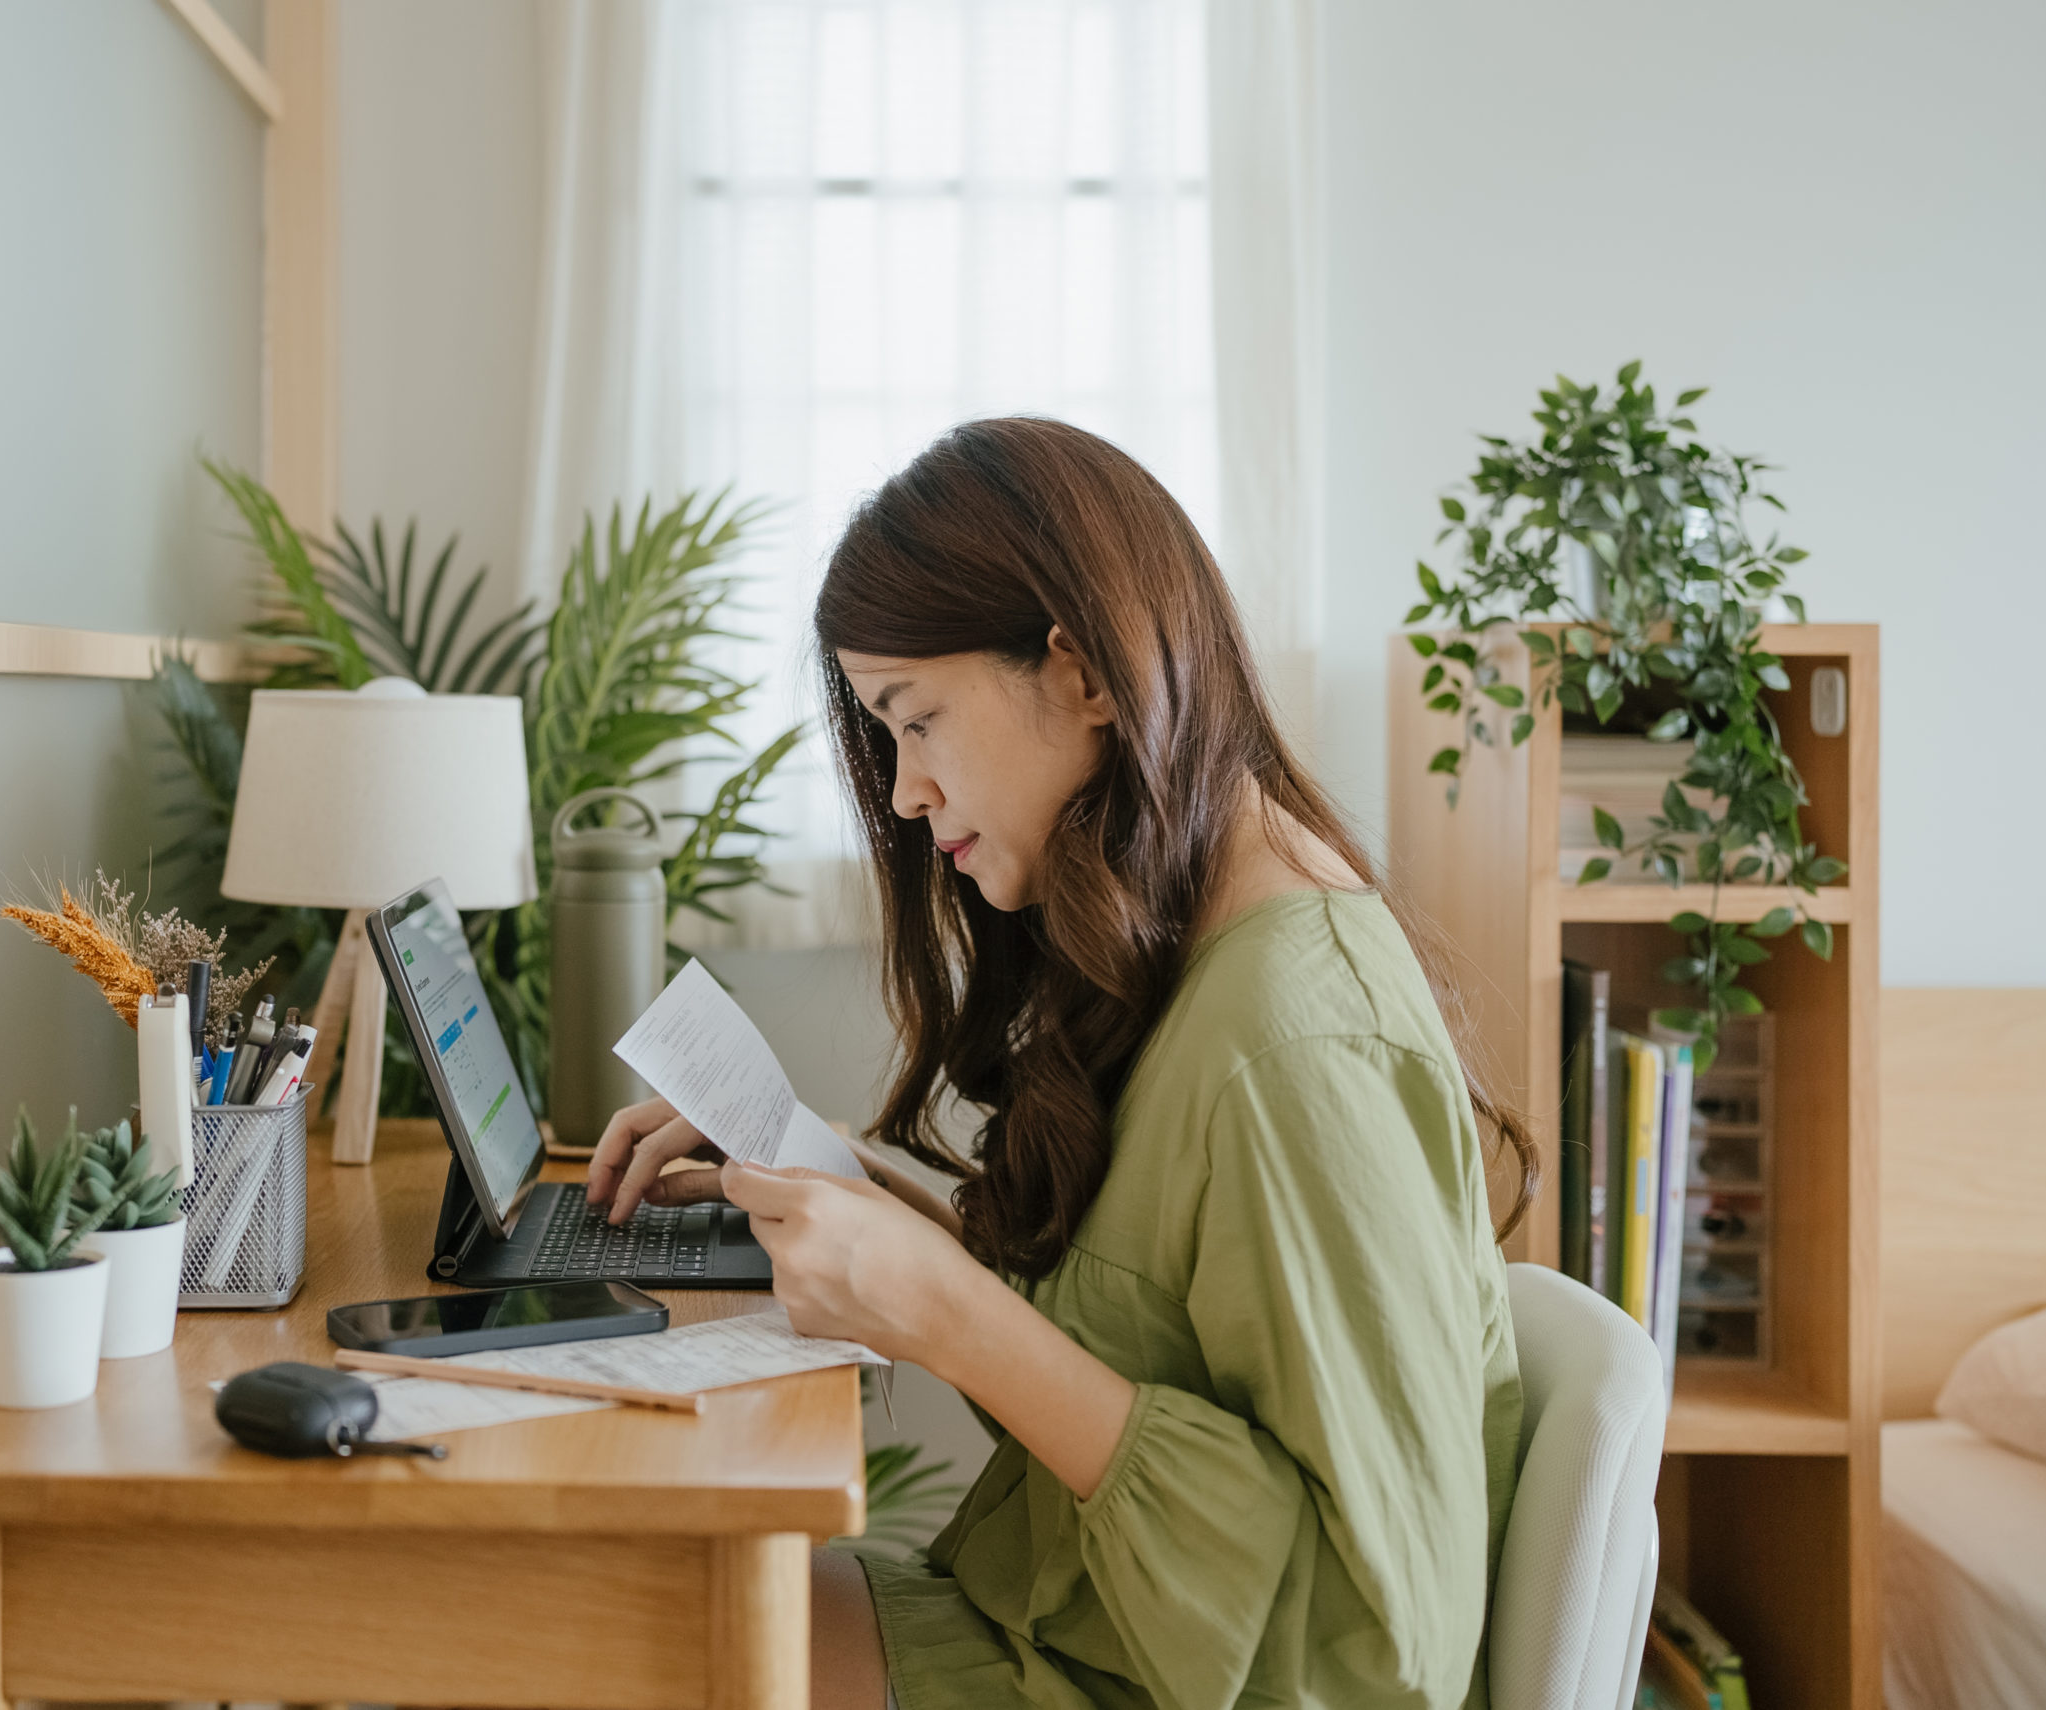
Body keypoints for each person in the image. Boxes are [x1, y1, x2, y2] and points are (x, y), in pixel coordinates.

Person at [587, 417, 1536, 1710]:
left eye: (917, 722)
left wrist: (950, 1314)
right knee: (596, 1604)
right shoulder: (1196, 950)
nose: (909, 792)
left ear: (1082, 671)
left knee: (574, 1637)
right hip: (1065, 1635)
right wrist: (862, 1206)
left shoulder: (1300, 1043)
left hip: (1129, 1680)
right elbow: (1143, 1349)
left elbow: (1382, 1647)